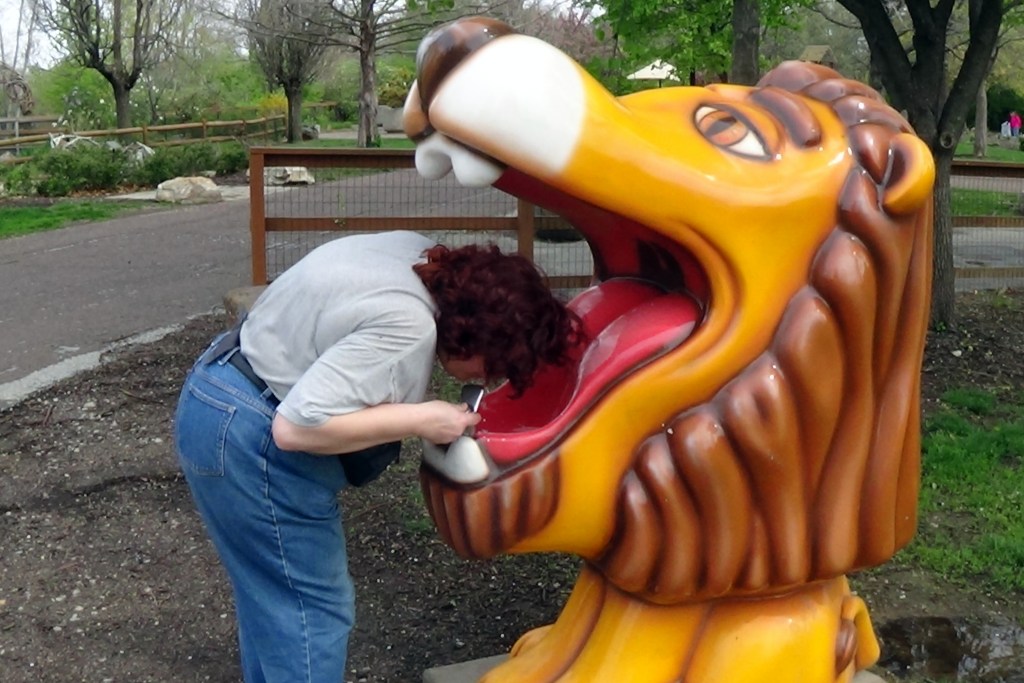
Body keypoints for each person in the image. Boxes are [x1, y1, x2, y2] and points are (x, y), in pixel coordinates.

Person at [173, 230, 581, 683]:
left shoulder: (416, 254)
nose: (487, 382)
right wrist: (421, 419)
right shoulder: (408, 325)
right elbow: (294, 428)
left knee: (272, 600)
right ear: (476, 338)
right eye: (494, 368)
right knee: (312, 612)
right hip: (252, 436)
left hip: (217, 389)